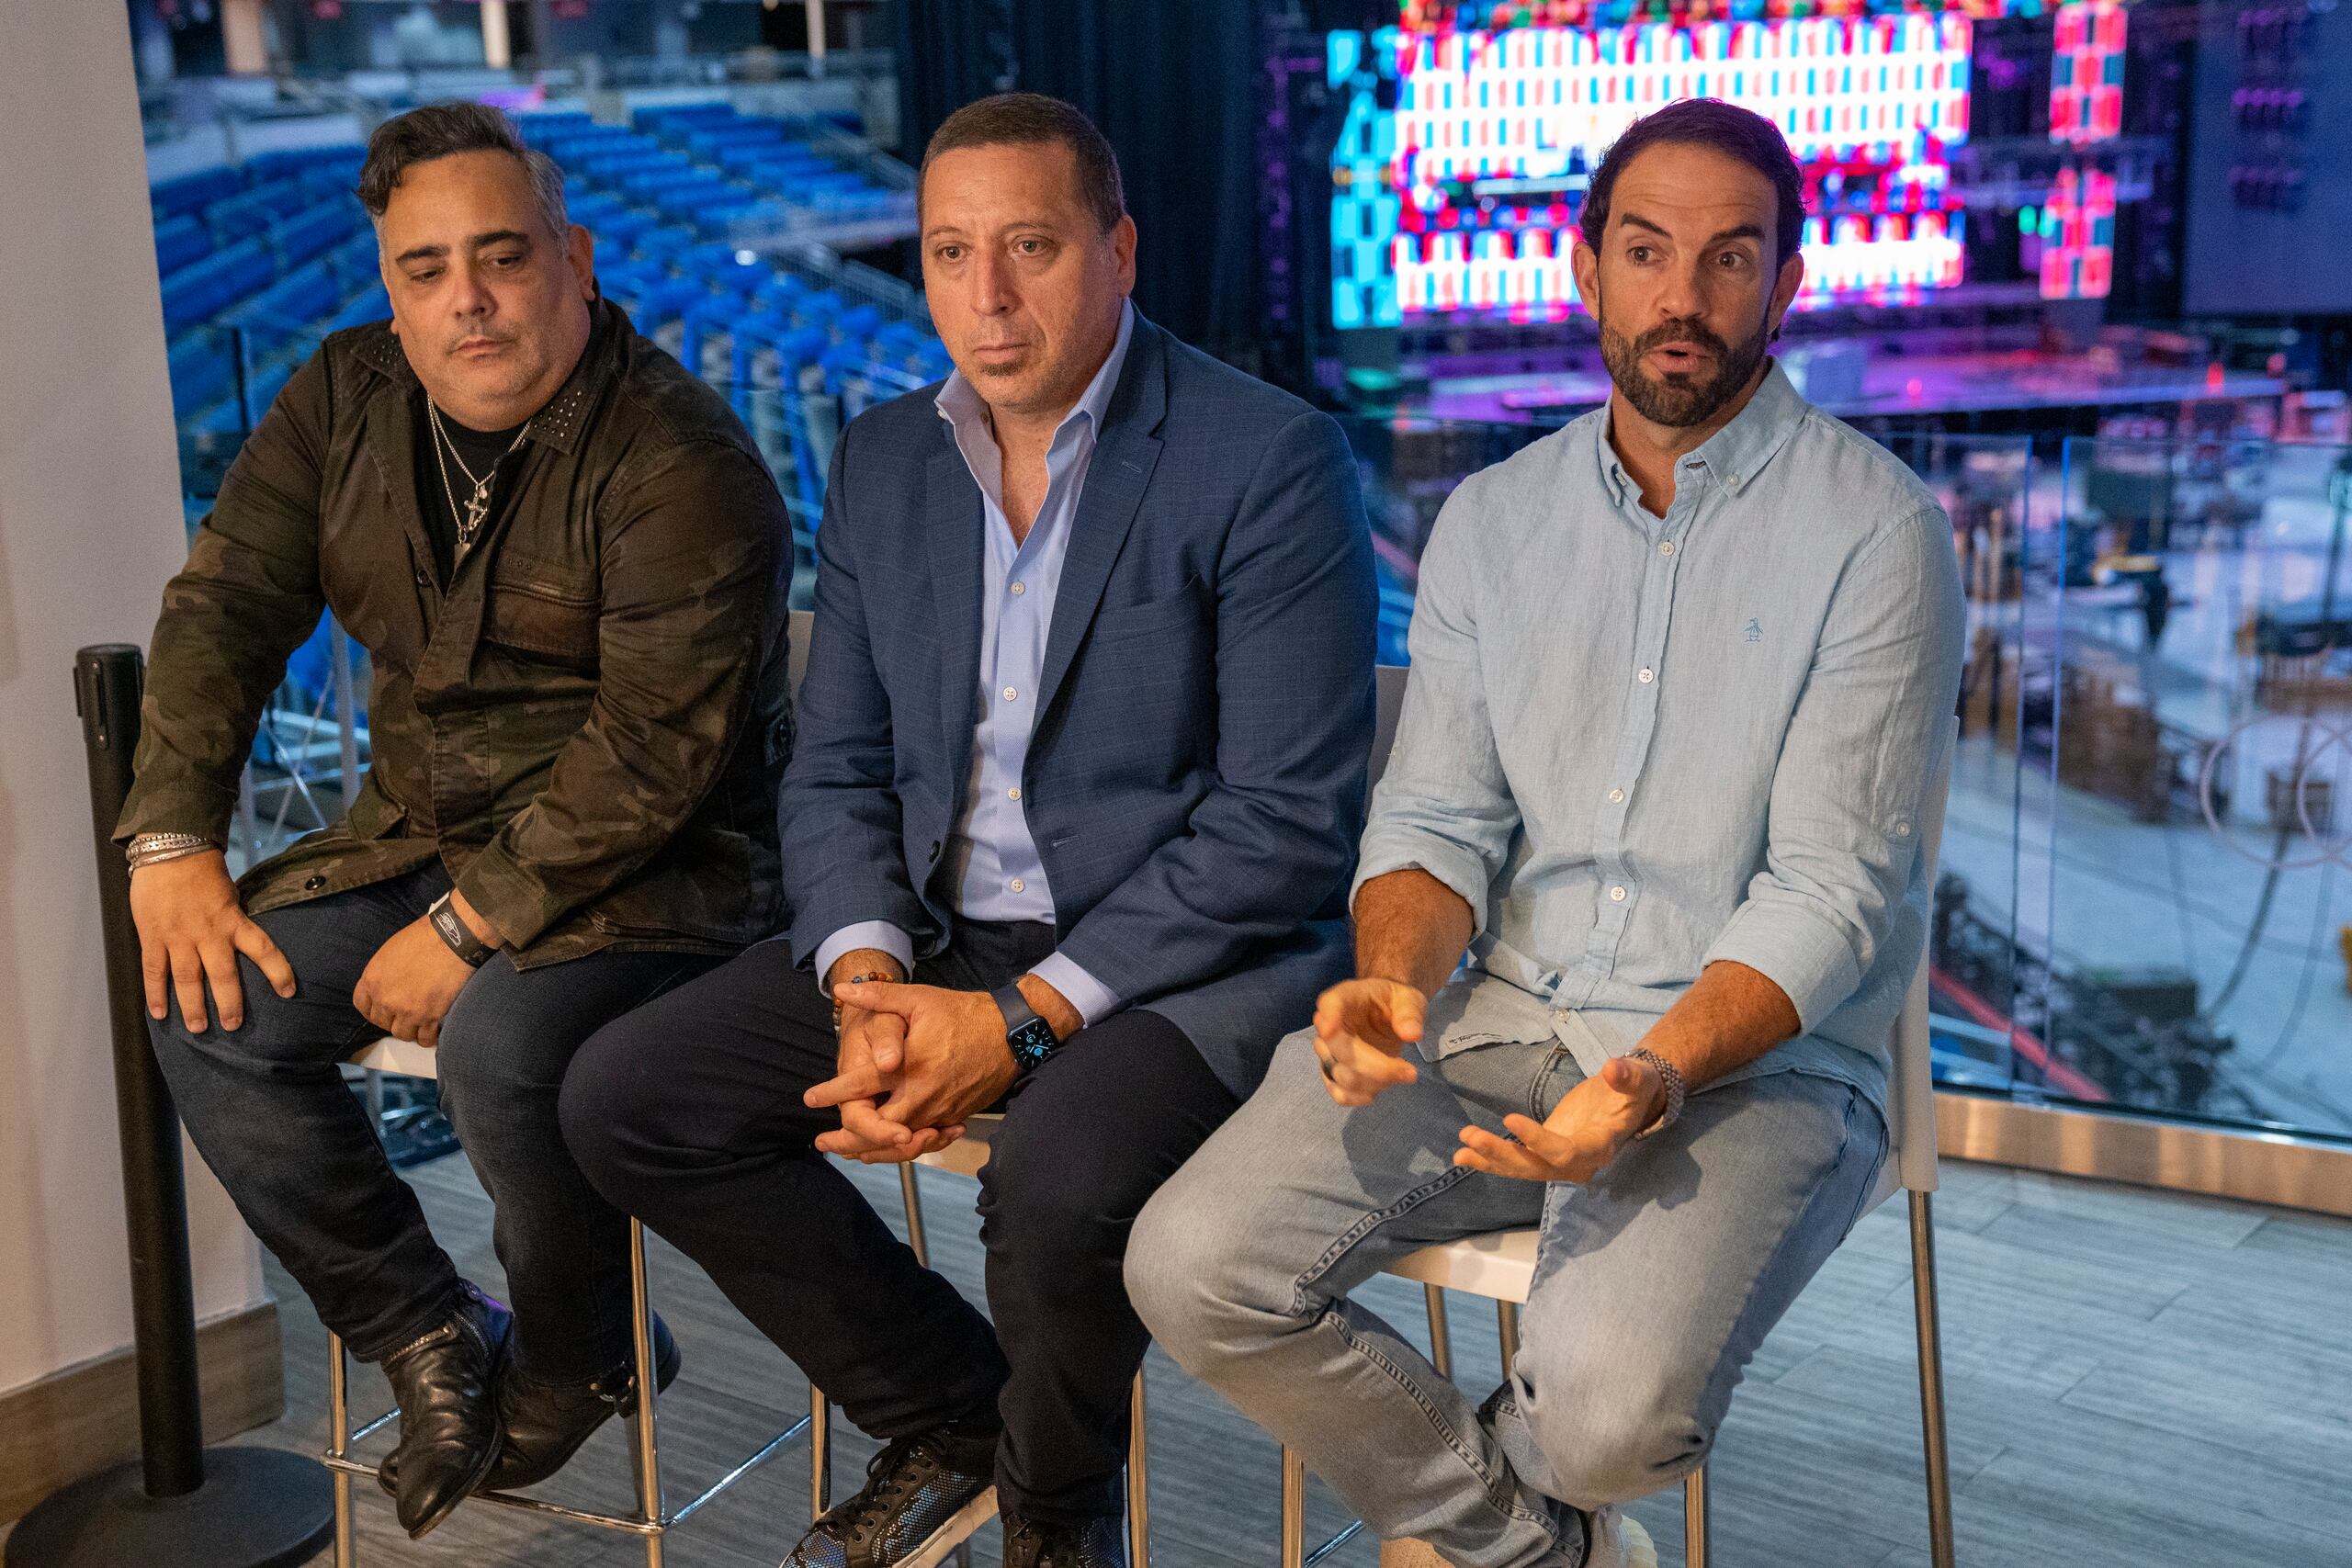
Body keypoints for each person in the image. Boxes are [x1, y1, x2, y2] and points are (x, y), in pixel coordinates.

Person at [1128, 97, 1967, 1568]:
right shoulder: (1493, 520)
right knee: (1188, 1265)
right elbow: (1438, 816)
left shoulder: (1879, 532)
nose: (1682, 297)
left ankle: (1504, 1495)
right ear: (1586, 268)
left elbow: (1832, 889)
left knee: (1606, 1425)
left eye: (1728, 259)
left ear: (1789, 279)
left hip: (1756, 1060)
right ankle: (1534, 1549)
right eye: (1646, 252)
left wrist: (1654, 1069)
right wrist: (1395, 970)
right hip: (1504, 1019)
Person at [561, 93, 1376, 1568]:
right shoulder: (887, 458)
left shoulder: (1267, 458)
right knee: (628, 1096)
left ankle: (1058, 1527)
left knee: (1053, 1177)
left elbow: (1285, 829)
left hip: (1185, 961)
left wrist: (1019, 1022)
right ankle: (957, 1417)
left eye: (1031, 247)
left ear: (1119, 251)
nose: (987, 298)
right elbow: (841, 763)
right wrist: (869, 982)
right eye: (950, 252)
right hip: (945, 932)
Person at [119, 103, 793, 1539]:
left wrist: (466, 925)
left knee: (494, 1042)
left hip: (661, 871)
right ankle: (434, 1335)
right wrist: (172, 840)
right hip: (422, 832)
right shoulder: (343, 396)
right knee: (208, 1006)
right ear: (390, 290)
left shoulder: (684, 459)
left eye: (501, 256)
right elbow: (227, 606)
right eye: (426, 269)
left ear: (577, 258)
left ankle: (580, 1343)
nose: (466, 300)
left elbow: (651, 757)